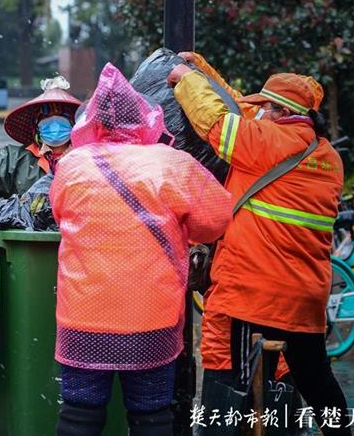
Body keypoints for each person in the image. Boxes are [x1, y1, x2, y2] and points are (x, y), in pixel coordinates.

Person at [168, 57, 350, 434]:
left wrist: (186, 79)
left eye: (268, 107)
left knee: (226, 376)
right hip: (303, 298)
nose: (259, 111)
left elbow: (217, 122)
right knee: (313, 380)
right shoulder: (327, 157)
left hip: (251, 294)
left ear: (282, 112)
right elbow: (241, 108)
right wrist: (206, 71)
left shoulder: (263, 143)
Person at [51, 63, 232, 436]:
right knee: (151, 415)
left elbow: (60, 213)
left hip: (84, 317)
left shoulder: (70, 166)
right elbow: (216, 219)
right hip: (151, 319)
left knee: (79, 413)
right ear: (148, 117)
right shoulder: (174, 164)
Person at [0, 76, 81, 204]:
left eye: (60, 117)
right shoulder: (14, 160)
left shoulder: (89, 158)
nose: (54, 125)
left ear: (73, 123)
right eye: (46, 118)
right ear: (36, 125)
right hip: (27, 225)